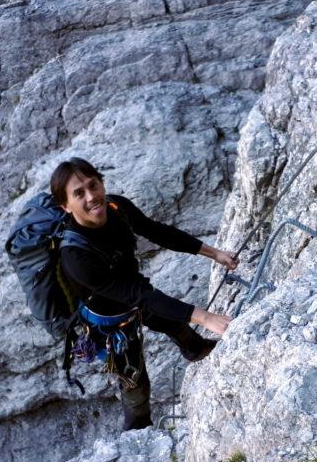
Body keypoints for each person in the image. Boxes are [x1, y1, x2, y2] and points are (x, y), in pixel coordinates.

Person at [53, 157, 238, 430]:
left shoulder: (116, 206)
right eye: (79, 193)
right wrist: (206, 317)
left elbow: (157, 232)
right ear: (65, 206)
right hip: (109, 322)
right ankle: (139, 432)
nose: (92, 197)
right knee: (135, 384)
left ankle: (196, 349)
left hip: (136, 295)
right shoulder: (74, 256)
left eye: (93, 185)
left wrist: (215, 253)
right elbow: (136, 294)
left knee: (177, 324)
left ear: (102, 183)